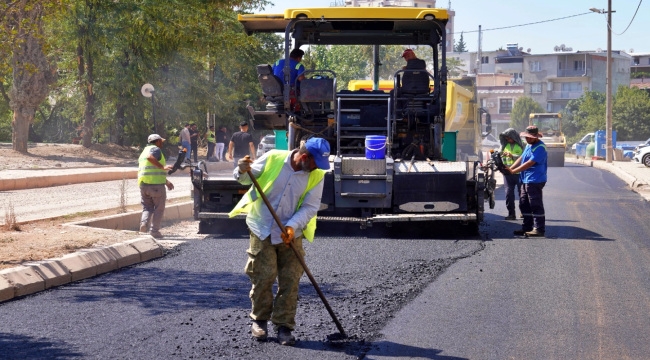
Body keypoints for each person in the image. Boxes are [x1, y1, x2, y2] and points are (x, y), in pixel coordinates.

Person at [228, 137, 331, 346]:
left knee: (291, 279)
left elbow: (310, 207)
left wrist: (292, 226)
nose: (317, 169)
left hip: (291, 233)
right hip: (263, 227)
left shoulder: (316, 175)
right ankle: (260, 321)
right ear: (304, 157)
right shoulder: (273, 158)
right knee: (263, 276)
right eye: (315, 163)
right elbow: (246, 179)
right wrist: (242, 169)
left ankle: (284, 326)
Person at [507, 125, 547, 237]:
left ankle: (539, 229)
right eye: (526, 137)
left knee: (535, 204)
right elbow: (521, 158)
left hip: (535, 179)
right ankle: (527, 227)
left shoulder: (540, 147)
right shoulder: (529, 146)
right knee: (524, 203)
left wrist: (514, 171)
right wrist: (511, 168)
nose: (527, 139)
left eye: (529, 137)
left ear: (535, 137)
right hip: (525, 179)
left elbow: (529, 163)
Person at [138, 134, 174, 239]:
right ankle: (154, 231)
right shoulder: (155, 150)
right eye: (161, 141)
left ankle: (143, 225)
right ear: (157, 141)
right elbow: (151, 158)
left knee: (147, 207)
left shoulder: (144, 151)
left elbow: (151, 170)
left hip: (144, 185)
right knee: (159, 209)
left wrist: (166, 182)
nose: (162, 143)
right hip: (156, 186)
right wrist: (163, 167)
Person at [499, 128, 524, 220]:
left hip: (520, 173)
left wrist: (512, 156)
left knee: (522, 194)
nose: (508, 140)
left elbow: (523, 158)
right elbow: (502, 158)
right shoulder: (505, 146)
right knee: (509, 194)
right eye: (506, 138)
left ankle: (523, 212)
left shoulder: (522, 146)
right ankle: (511, 214)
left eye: (509, 138)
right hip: (508, 174)